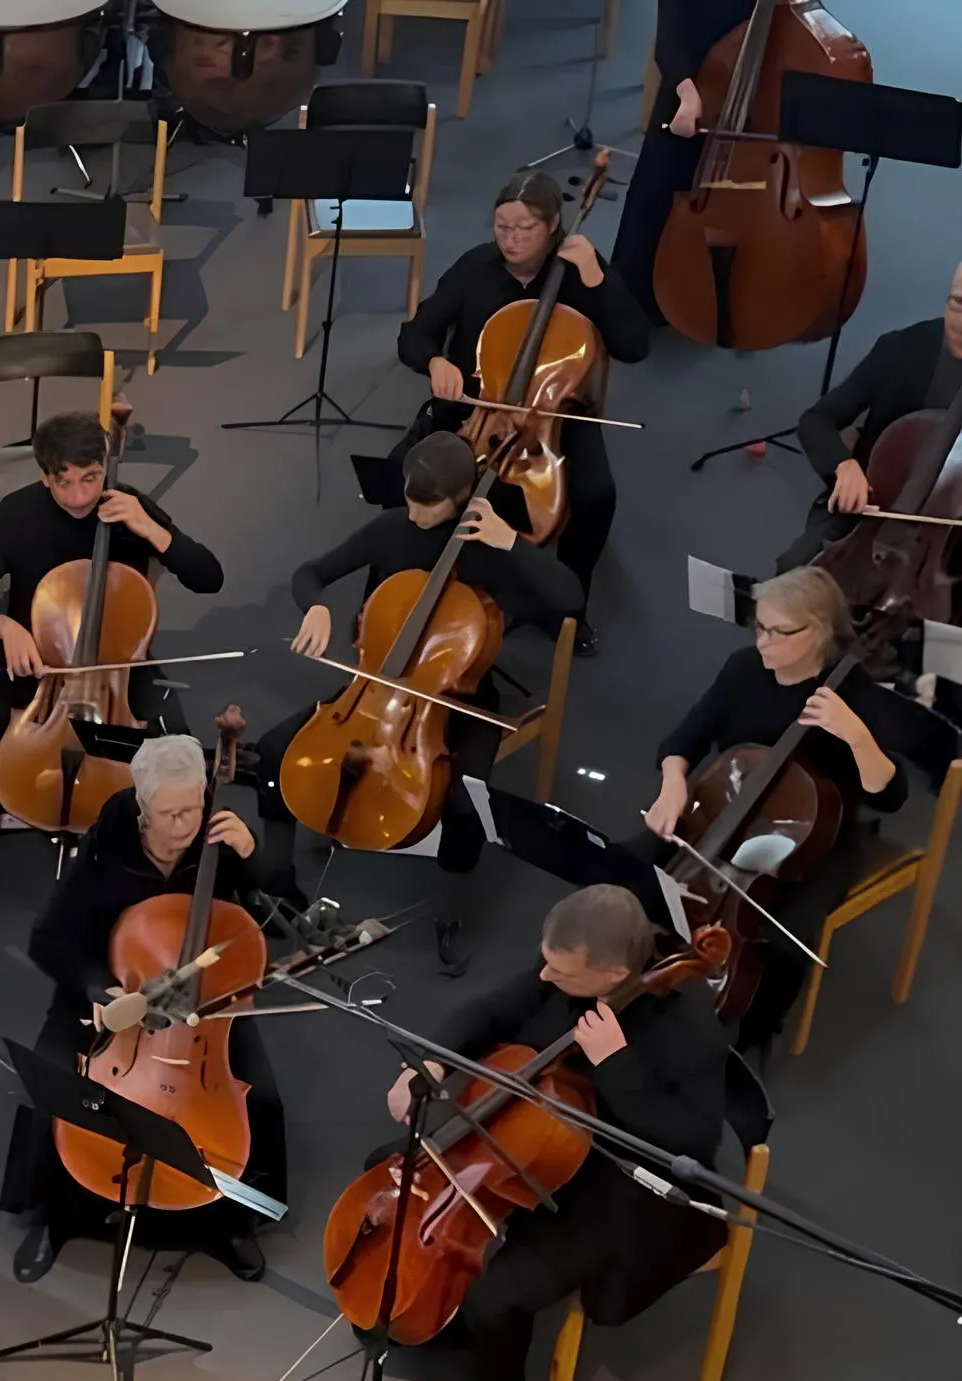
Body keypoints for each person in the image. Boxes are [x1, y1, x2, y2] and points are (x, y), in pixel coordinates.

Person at [395, 885, 730, 1381]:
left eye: (562, 973)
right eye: (545, 962)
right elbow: (493, 1007)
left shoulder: (689, 1030)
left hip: (623, 1178)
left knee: (497, 1292)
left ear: (613, 973)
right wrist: (429, 1062)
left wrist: (616, 1065)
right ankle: (438, 1309)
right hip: (547, 1130)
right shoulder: (571, 959)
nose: (546, 978)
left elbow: (691, 1139)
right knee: (401, 1171)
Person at [267, 431, 583, 974]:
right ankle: (275, 883)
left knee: (465, 807)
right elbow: (310, 573)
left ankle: (452, 914)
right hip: (376, 687)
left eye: (427, 504)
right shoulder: (394, 528)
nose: (413, 514)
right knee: (273, 751)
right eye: (409, 499)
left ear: (462, 496)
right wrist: (315, 606)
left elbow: (571, 598)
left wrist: (514, 543)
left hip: (456, 702)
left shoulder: (493, 548)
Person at [6, 730, 282, 1285]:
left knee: (265, 1099)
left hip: (204, 1009)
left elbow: (283, 911)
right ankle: (57, 1216)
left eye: (192, 809)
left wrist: (256, 859)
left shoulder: (222, 837)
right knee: (56, 1087)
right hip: (115, 997)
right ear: (141, 808)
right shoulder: (108, 839)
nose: (184, 826)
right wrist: (100, 991)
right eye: (169, 813)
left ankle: (230, 1223)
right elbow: (51, 938)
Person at [0, 410, 226, 925]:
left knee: (179, 745)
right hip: (39, 656)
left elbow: (210, 577)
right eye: (64, 483)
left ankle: (178, 864)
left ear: (104, 467)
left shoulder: (131, 507)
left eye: (90, 479)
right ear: (44, 476)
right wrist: (4, 628)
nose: (78, 496)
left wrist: (150, 529)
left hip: (119, 660)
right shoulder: (17, 513)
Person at [643, 566, 924, 1053]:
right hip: (728, 809)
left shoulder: (855, 696)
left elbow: (890, 795)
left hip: (815, 838)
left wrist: (855, 736)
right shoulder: (744, 668)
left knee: (790, 933)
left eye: (777, 632)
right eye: (759, 626)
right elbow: (684, 739)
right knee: (639, 861)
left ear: (817, 632)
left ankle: (756, 1029)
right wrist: (672, 785)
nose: (763, 642)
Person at [396, 170, 649, 643]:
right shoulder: (475, 267)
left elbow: (635, 345)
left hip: (553, 413)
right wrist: (434, 361)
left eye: (524, 229)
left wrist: (597, 279)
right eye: (501, 227)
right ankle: (420, 578)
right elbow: (415, 333)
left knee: (596, 494)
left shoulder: (581, 272)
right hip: (478, 404)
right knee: (412, 471)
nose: (510, 240)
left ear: (554, 224)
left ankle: (569, 606)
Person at [778, 264, 962, 572]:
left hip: (951, 533)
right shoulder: (900, 349)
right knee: (796, 571)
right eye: (959, 303)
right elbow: (817, 419)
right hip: (871, 507)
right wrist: (844, 465)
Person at [605, 1, 775, 329]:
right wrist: (686, 92)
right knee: (657, 189)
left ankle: (722, 297)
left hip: (758, 98)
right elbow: (668, 39)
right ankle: (635, 296)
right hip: (693, 89)